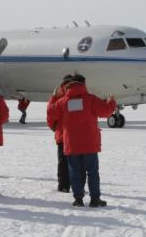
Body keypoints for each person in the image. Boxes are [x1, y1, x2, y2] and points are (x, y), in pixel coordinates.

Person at [48, 74, 116, 207]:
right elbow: (106, 111)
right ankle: (95, 199)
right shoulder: (91, 99)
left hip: (71, 144)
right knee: (92, 172)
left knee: (74, 172)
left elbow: (51, 113)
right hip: (89, 143)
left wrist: (53, 98)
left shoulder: (63, 102)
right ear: (83, 84)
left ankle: (78, 199)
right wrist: (111, 101)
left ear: (69, 86)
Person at [47, 75, 74, 193]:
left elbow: (50, 114)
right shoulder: (75, 96)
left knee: (62, 162)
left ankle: (63, 186)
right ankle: (77, 185)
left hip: (61, 134)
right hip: (75, 135)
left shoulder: (57, 96)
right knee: (76, 162)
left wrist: (54, 127)